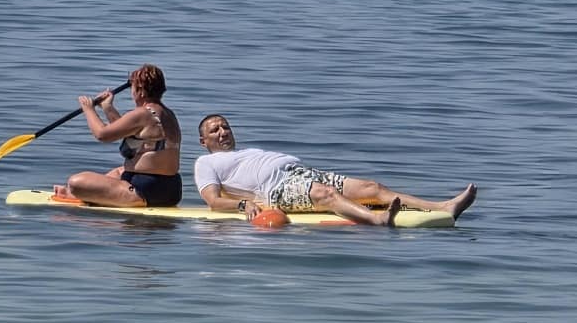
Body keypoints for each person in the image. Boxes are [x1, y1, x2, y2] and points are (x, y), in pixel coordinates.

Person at [194, 114, 477, 226]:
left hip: (301, 174)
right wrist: (243, 204)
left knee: (372, 187)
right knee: (326, 194)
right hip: (276, 190)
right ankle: (377, 220)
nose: (223, 132)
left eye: (225, 126)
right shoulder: (205, 163)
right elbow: (213, 200)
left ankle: (444, 206)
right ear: (203, 141)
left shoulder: (248, 152)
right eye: (214, 130)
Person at [53, 64, 182, 207]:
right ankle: (87, 194)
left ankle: (77, 192)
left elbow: (102, 135)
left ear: (140, 90)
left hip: (145, 190)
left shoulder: (143, 113)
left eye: (131, 86)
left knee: (75, 182)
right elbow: (125, 131)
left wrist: (88, 109)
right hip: (172, 189)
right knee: (118, 172)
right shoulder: (167, 114)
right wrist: (107, 107)